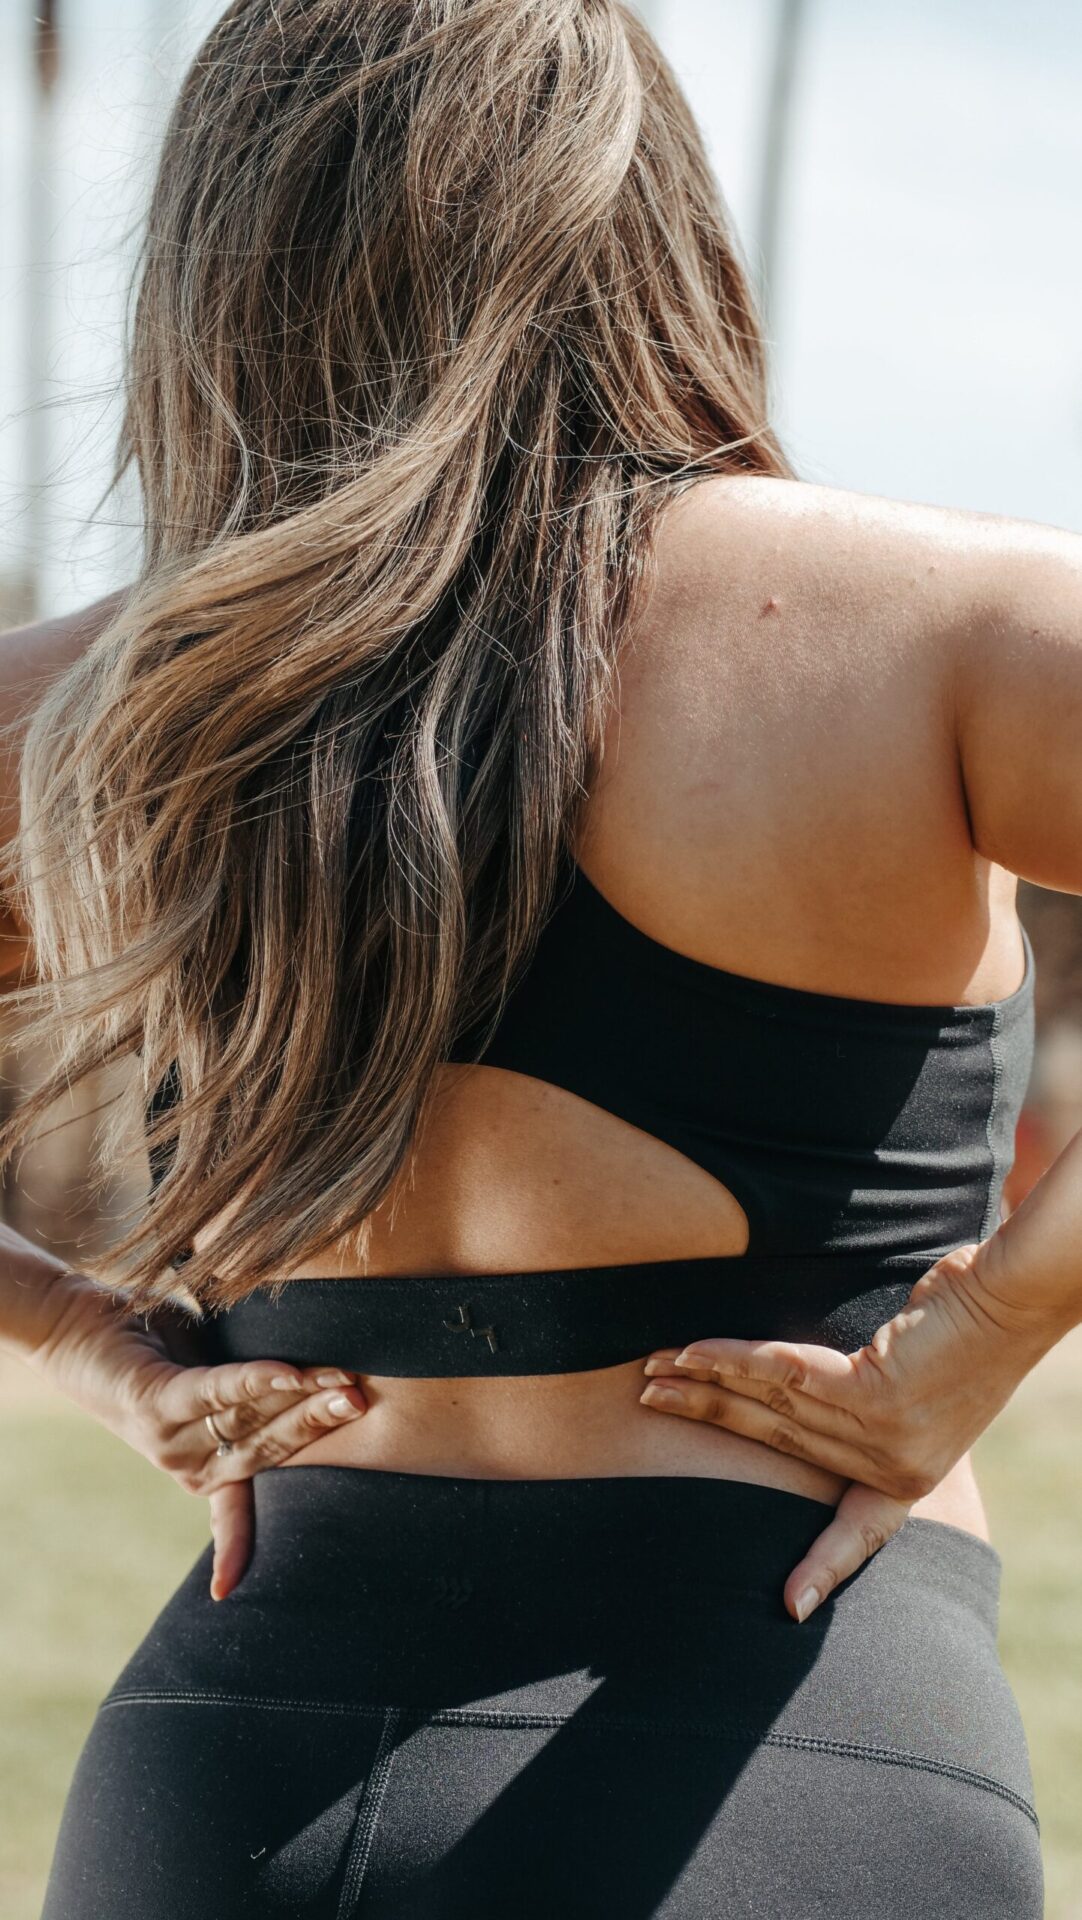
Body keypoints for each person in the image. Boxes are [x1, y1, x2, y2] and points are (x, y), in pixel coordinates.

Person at [2, 2, 1079, 1912]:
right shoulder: (946, 630)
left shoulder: (86, 708)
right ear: (642, 215)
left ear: (226, 267)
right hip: (793, 1748)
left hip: (230, 1783)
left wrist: (85, 1340)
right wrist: (985, 1329)